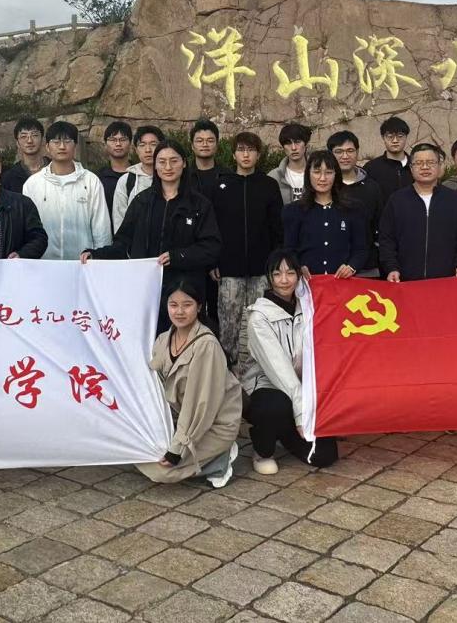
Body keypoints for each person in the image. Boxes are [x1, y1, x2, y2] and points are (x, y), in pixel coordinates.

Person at [85, 142, 220, 331]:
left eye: (174, 161)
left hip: (185, 293)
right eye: (162, 162)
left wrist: (178, 256)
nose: (168, 167)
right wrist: (96, 255)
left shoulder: (199, 205)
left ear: (184, 163)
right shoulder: (142, 201)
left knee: (181, 342)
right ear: (155, 165)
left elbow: (211, 247)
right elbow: (123, 242)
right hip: (145, 291)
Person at [137, 280, 241, 488]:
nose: (179, 311)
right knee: (137, 452)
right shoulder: (163, 339)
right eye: (173, 305)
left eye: (187, 305)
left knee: (160, 471)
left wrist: (177, 449)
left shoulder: (206, 345)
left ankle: (220, 459)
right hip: (182, 419)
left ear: (199, 306)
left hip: (213, 423)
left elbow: (200, 403)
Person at [242, 250, 338, 473]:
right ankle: (262, 449)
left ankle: (285, 433)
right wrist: (302, 414)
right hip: (266, 387)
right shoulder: (259, 317)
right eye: (277, 274)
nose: (284, 280)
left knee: (325, 456)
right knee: (275, 406)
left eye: (290, 273)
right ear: (269, 277)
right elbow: (280, 370)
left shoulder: (308, 308)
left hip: (301, 388)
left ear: (299, 276)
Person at [208, 131, 284, 370]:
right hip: (229, 269)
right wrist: (214, 261)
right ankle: (226, 372)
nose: (246, 154)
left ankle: (258, 374)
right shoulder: (220, 185)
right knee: (228, 324)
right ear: (233, 154)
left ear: (258, 154)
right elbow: (212, 228)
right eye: (241, 150)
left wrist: (275, 264)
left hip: (261, 269)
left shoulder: (268, 185)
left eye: (251, 150)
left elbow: (277, 227)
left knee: (259, 323)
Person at [379, 143, 457, 282]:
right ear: (411, 168)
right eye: (419, 163)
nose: (425, 167)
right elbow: (386, 239)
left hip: (447, 279)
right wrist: (391, 267)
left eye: (430, 162)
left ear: (439, 166)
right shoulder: (397, 200)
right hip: (405, 280)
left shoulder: (455, 199)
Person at [22, 121, 112, 260]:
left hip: (82, 263)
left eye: (67, 141)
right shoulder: (33, 184)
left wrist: (100, 257)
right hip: (43, 263)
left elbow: (101, 226)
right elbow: (26, 228)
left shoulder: (90, 181)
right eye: (56, 142)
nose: (62, 146)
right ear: (47, 147)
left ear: (75, 146)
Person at [282, 150, 367, 278]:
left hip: (343, 283)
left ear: (336, 175)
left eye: (328, 172)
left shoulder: (353, 209)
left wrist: (351, 267)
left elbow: (361, 249)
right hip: (307, 284)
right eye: (317, 172)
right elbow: (288, 250)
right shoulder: (294, 211)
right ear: (308, 174)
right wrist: (298, 267)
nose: (322, 178)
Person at [327, 130, 384, 278]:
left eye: (350, 151)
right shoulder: (324, 187)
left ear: (357, 152)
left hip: (367, 269)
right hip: (332, 270)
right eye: (339, 151)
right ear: (330, 155)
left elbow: (380, 225)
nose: (345, 156)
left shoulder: (372, 187)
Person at [112, 125, 162, 226]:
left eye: (153, 144)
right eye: (142, 145)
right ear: (136, 150)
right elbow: (119, 220)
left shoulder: (170, 177)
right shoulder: (126, 181)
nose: (148, 150)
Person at [96, 121, 134, 225]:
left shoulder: (138, 175)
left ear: (130, 143)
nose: (118, 144)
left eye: (123, 139)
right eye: (112, 140)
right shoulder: (98, 178)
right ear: (105, 144)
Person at [365, 116, 413, 199]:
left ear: (406, 137)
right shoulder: (371, 168)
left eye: (400, 136)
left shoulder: (416, 165)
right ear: (383, 138)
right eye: (390, 136)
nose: (395, 140)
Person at [268, 123, 311, 205]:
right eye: (288, 143)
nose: (293, 148)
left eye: (297, 142)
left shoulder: (318, 173)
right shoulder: (273, 177)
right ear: (283, 148)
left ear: (306, 145)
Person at [189, 119, 227, 197]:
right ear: (192, 145)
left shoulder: (228, 176)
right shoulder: (183, 177)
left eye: (210, 141)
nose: (205, 144)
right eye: (199, 141)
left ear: (217, 145)